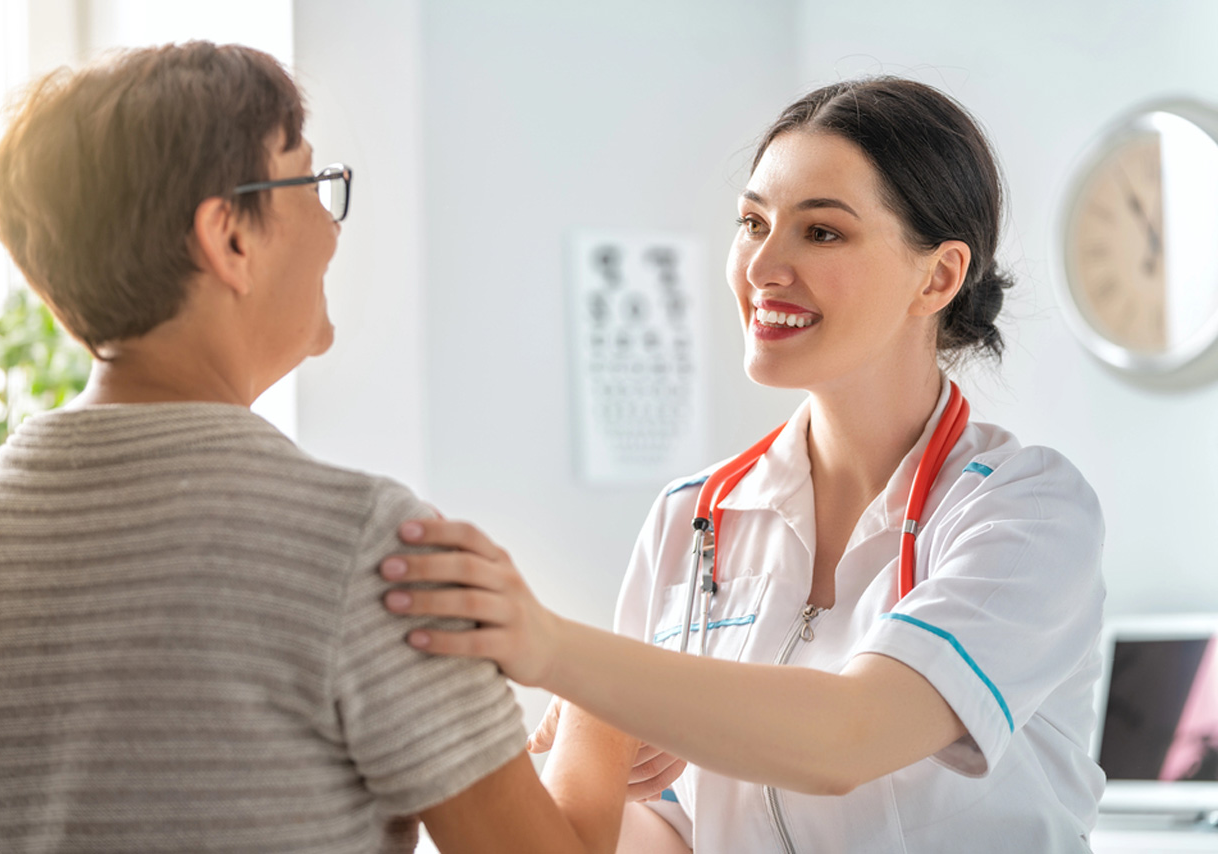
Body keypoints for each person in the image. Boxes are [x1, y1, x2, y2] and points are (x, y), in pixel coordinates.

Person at [0, 41, 636, 853]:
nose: (329, 227)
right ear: (229, 237)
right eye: (308, 181)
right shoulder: (365, 546)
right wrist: (602, 707)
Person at [380, 77, 1107, 852]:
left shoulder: (1026, 511)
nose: (763, 265)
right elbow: (675, 827)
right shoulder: (693, 516)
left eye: (821, 233)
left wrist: (557, 652)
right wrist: (587, 745)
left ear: (937, 276)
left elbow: (847, 738)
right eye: (753, 222)